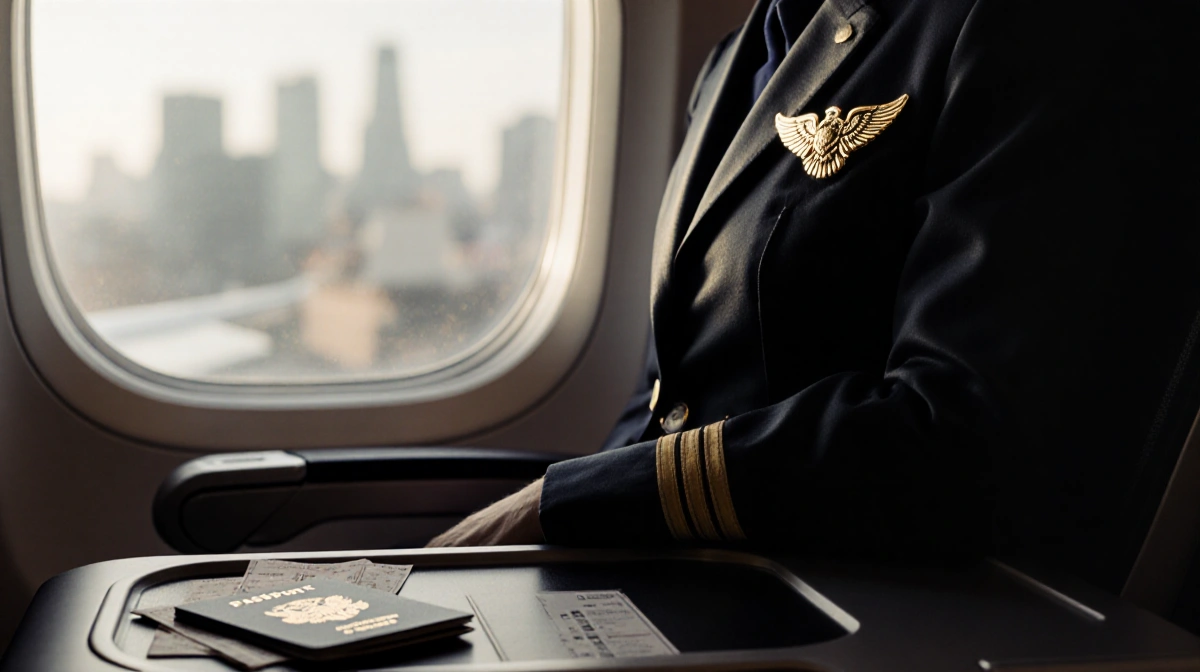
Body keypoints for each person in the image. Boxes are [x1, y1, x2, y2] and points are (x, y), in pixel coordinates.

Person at [430, 0, 1200, 592]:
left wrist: (570, 500)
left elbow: (959, 435)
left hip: (874, 607)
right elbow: (673, 394)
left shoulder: (1023, 23)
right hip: (701, 575)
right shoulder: (745, 50)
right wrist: (550, 549)